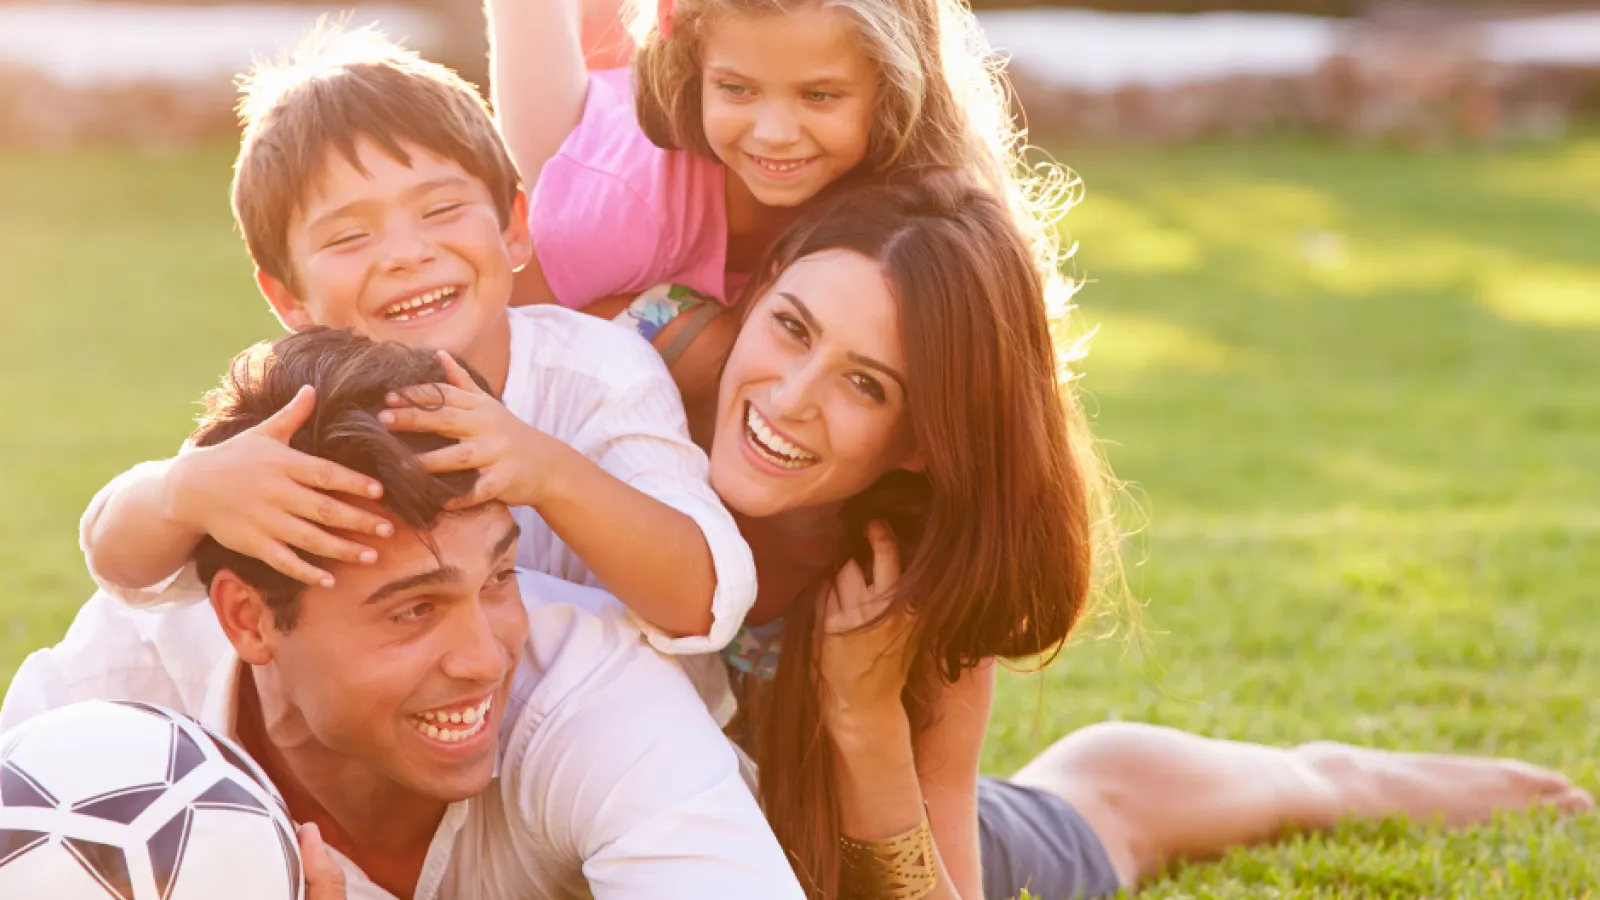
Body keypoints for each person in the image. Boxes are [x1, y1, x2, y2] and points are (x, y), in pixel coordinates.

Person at [546, 174, 1594, 898]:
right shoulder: (634, 364)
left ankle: (1341, 774)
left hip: (883, 849)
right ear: (758, 290)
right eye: (791, 325)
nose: (792, 397)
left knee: (1106, 808)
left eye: (867, 385)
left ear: (920, 442)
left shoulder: (911, 591)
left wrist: (862, 721)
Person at [0, 329, 805, 900]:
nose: (486, 659)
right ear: (248, 621)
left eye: (498, 578)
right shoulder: (106, 714)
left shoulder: (595, 700)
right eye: (413, 610)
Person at [75, 28, 756, 662]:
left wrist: (546, 471)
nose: (407, 254)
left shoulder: (598, 373)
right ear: (289, 298)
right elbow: (125, 574)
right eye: (348, 237)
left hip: (601, 720)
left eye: (440, 210)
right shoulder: (301, 405)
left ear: (515, 228)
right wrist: (184, 492)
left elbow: (705, 600)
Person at [483, 0, 1076, 330]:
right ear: (696, 76)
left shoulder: (928, 208)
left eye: (819, 96)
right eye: (736, 90)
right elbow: (515, 331)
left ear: (891, 93)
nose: (774, 135)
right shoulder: (622, 203)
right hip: (587, 148)